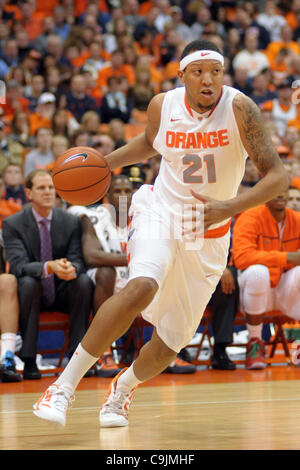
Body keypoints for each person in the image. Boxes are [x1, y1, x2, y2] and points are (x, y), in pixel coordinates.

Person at [33, 39, 288, 428]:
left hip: (210, 230)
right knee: (142, 286)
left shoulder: (239, 109)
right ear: (181, 74)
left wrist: (229, 208)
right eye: (199, 71)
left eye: (216, 71)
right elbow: (151, 143)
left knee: (171, 342)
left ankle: (121, 389)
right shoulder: (162, 105)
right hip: (162, 210)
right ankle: (63, 386)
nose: (208, 80)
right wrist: (106, 164)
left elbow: (278, 176)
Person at [2, 170, 94, 380]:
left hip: (62, 290)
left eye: (51, 188)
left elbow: (79, 260)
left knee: (83, 281)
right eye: (41, 188)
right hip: (32, 296)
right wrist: (48, 267)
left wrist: (71, 269)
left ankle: (76, 359)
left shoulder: (70, 221)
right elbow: (18, 266)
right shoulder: (12, 224)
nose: (47, 192)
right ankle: (29, 360)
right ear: (28, 193)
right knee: (26, 283)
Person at [232, 191, 300, 369]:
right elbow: (241, 258)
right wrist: (287, 257)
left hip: (284, 290)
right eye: (275, 189)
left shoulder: (296, 219)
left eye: (283, 189)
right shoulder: (249, 217)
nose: (280, 194)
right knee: (258, 272)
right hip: (252, 293)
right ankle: (255, 342)